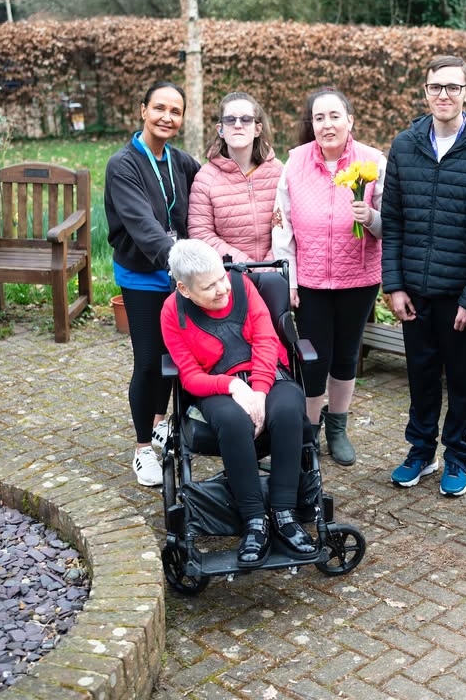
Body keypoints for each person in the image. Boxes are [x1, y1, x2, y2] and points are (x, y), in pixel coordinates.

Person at [380, 55, 466, 496]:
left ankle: (457, 456)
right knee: (420, 377)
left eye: (452, 87)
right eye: (436, 87)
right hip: (415, 292)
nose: (443, 95)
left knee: (462, 381)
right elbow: (394, 220)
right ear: (425, 92)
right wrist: (394, 283)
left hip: (463, 296)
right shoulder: (404, 146)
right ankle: (420, 451)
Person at [160, 239, 317, 567]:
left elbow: (265, 340)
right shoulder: (173, 312)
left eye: (221, 277)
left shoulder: (240, 285)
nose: (221, 289)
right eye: (209, 286)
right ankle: (254, 522)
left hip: (267, 374)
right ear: (184, 289)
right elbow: (189, 376)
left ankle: (284, 515)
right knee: (232, 422)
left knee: (289, 409)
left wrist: (258, 391)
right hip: (215, 386)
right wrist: (232, 385)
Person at [272, 87, 386, 467]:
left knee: (346, 356)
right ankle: (309, 433)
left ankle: (338, 428)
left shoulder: (373, 162)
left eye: (335, 116)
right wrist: (287, 280)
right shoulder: (296, 163)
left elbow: (392, 225)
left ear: (350, 120)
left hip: (360, 278)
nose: (327, 124)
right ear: (312, 125)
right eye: (319, 118)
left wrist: (370, 219)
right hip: (310, 282)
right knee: (311, 359)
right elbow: (282, 228)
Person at [105, 81, 200, 487]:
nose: (167, 117)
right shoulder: (123, 164)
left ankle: (161, 422)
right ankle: (144, 448)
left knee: (176, 360)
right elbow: (143, 227)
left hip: (178, 277)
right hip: (143, 277)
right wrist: (187, 265)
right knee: (147, 362)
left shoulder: (181, 161)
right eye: (159, 108)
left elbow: (216, 185)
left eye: (175, 111)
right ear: (143, 109)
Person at [188, 92, 282, 263]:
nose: (238, 125)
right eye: (230, 120)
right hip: (229, 276)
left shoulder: (279, 171)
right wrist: (244, 264)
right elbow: (201, 233)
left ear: (257, 129)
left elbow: (291, 223)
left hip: (276, 271)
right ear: (221, 129)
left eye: (246, 119)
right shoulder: (206, 178)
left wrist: (271, 262)